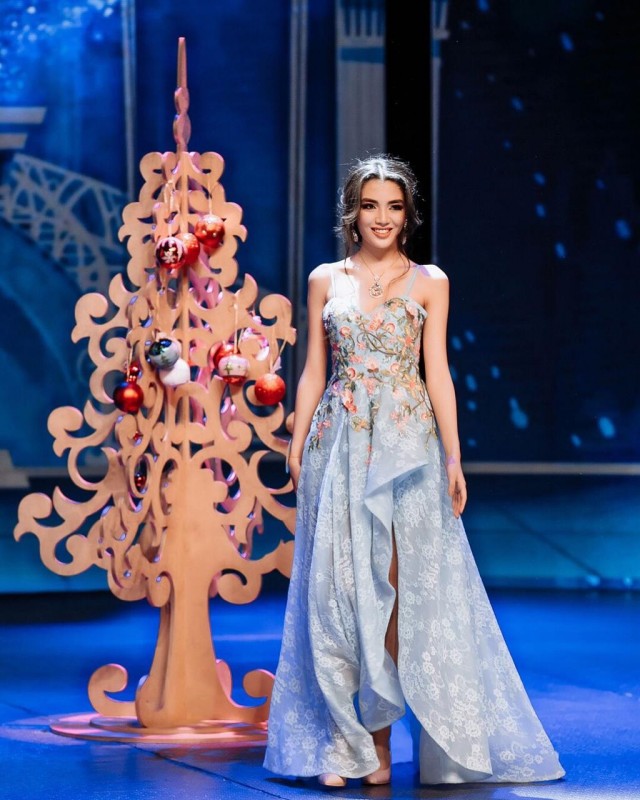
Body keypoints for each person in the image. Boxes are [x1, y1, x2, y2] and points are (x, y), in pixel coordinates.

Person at [263, 154, 565, 787]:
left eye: (394, 207)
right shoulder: (325, 279)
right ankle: (343, 743)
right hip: (339, 444)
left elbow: (439, 375)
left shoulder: (430, 281)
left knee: (395, 594)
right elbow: (314, 369)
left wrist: (454, 457)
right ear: (352, 213)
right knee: (337, 591)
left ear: (408, 215)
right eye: (370, 205)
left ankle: (378, 743)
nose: (382, 218)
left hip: (407, 450)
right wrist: (296, 439)